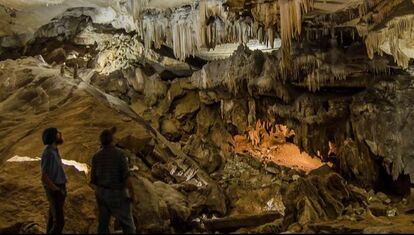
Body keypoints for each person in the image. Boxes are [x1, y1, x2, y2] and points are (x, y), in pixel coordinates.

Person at [90, 127, 136, 234]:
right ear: (112, 140)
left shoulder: (96, 156)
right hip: (118, 193)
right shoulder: (120, 154)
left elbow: (93, 180)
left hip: (101, 193)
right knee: (128, 225)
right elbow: (126, 177)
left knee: (103, 224)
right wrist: (132, 193)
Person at [40, 127, 67, 234]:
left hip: (59, 187)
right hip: (55, 189)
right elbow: (44, 176)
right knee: (59, 222)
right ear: (53, 136)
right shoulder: (48, 153)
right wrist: (56, 190)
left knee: (52, 219)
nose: (60, 134)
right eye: (57, 133)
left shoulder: (55, 151)